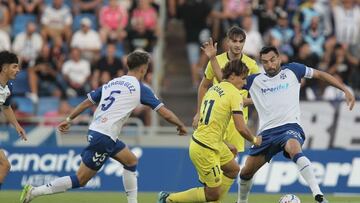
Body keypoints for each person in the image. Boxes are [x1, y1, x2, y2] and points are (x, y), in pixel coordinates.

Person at [20, 50, 187, 203]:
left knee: (130, 160)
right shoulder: (140, 88)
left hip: (98, 132)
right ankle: (34, 192)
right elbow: (164, 113)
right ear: (143, 69)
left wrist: (69, 118)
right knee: (80, 179)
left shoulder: (111, 83)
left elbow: (87, 102)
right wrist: (180, 125)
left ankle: (133, 202)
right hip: (104, 137)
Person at [208, 46, 355, 203]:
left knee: (293, 147)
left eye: (272, 60)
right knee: (245, 173)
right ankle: (241, 202)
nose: (270, 65)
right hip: (266, 135)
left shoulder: (293, 70)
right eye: (265, 62)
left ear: (279, 58)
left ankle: (318, 195)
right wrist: (212, 57)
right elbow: (224, 80)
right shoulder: (254, 80)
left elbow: (319, 74)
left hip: (289, 127)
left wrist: (344, 89)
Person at [158, 59, 262, 203]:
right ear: (232, 76)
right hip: (205, 148)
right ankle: (168, 199)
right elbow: (241, 128)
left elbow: (212, 122)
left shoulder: (215, 88)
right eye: (243, 78)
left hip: (213, 142)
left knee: (233, 170)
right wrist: (255, 140)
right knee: (212, 194)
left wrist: (225, 143)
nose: (245, 83)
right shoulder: (234, 94)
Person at [193, 26, 260, 156]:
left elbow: (259, 92)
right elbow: (203, 86)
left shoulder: (251, 65)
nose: (237, 45)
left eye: (241, 41)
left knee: (232, 161)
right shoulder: (217, 61)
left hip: (238, 120)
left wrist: (246, 101)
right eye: (234, 41)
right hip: (217, 118)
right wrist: (198, 113)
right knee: (214, 157)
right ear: (228, 42)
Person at [0, 51, 27, 190]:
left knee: (5, 165)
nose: (18, 70)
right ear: (4, 68)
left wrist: (17, 126)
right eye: (15, 66)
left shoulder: (8, 87)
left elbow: (6, 107)